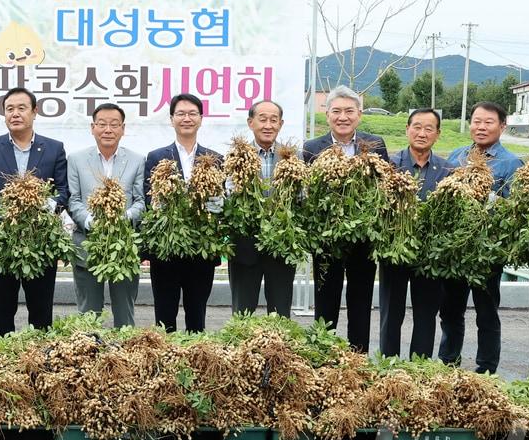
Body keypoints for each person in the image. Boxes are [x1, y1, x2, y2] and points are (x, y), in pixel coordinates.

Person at [0, 87, 69, 335]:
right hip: (2, 241)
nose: (15, 114)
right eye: (9, 109)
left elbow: (63, 190)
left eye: (21, 108)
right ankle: (2, 363)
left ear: (34, 112)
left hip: (41, 242)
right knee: (2, 311)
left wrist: (42, 207)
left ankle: (39, 363)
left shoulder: (54, 148)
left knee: (41, 311)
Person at [437, 101, 523, 373]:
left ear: (502, 126)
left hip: (487, 251)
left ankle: (486, 369)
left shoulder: (511, 163)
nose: (481, 126)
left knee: (486, 312)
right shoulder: (456, 156)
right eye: (476, 121)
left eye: (488, 122)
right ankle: (448, 364)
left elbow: (515, 209)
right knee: (450, 312)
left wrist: (491, 200)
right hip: (455, 247)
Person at [301, 86, 389, 352]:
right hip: (326, 240)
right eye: (336, 111)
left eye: (349, 111)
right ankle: (323, 356)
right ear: (327, 114)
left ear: (359, 115)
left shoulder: (374, 144)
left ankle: (357, 358)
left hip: (363, 238)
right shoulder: (312, 148)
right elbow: (305, 193)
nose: (343, 117)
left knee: (360, 300)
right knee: (325, 299)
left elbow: (384, 186)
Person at [144, 93, 223, 333]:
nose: (186, 118)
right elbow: (149, 197)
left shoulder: (216, 159)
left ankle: (196, 361)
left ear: (201, 119)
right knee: (164, 315)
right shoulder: (157, 157)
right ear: (171, 119)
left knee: (197, 314)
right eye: (180, 114)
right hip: (166, 249)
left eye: (192, 114)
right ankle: (165, 363)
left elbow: (223, 201)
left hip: (201, 248)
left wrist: (219, 205)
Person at [377, 108, 451, 358]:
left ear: (438, 134)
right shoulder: (389, 166)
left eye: (429, 128)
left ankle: (419, 367)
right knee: (391, 312)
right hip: (394, 251)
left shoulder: (447, 171)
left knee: (426, 314)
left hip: (430, 255)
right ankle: (388, 366)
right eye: (417, 127)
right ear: (407, 129)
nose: (422, 133)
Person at [67, 103, 145, 326]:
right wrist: (91, 221)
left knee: (125, 314)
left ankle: (124, 358)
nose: (107, 130)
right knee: (89, 315)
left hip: (124, 247)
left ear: (123, 128)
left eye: (114, 124)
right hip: (87, 245)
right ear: (93, 128)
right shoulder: (76, 159)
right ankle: (90, 355)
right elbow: (73, 199)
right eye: (101, 124)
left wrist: (124, 218)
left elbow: (141, 201)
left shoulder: (137, 160)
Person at [227, 100, 296, 316]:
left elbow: (301, 198)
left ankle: (278, 349)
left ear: (281, 124)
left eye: (273, 120)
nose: (268, 125)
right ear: (250, 122)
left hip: (281, 245)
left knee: (280, 311)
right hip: (245, 245)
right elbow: (227, 196)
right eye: (262, 119)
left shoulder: (292, 156)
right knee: (242, 312)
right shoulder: (236, 156)